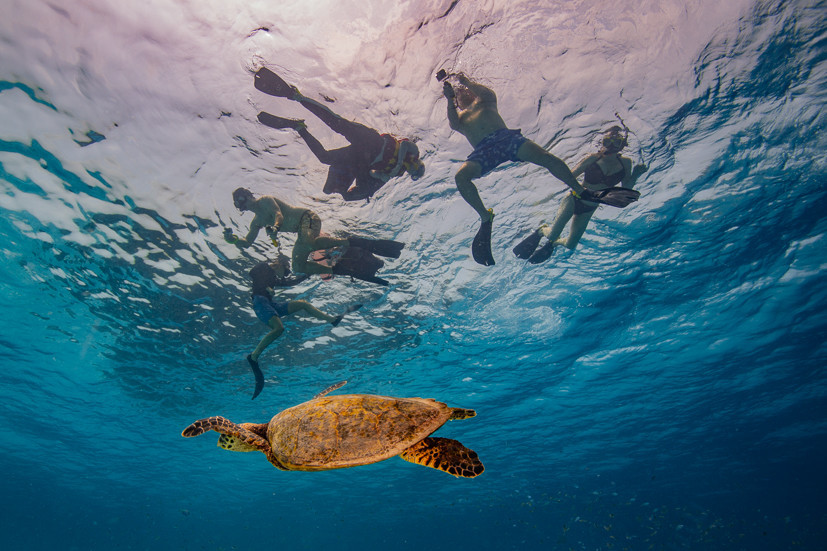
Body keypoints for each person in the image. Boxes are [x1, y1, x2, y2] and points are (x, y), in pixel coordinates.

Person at [441, 73, 587, 266]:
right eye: (459, 95)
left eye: (465, 91)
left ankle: (579, 189)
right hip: (483, 151)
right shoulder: (460, 118)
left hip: (506, 139)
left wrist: (465, 81)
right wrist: (449, 98)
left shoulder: (485, 101)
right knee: (461, 177)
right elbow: (452, 121)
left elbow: (486, 92)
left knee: (545, 157)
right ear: (457, 101)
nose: (463, 94)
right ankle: (486, 216)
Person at [254, 67, 425, 202]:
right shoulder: (413, 152)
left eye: (413, 173)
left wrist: (383, 176)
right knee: (337, 123)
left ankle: (299, 127)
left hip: (362, 157)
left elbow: (373, 174)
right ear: (418, 163)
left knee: (325, 157)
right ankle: (297, 96)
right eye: (416, 167)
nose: (412, 168)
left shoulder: (396, 172)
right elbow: (403, 145)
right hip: (372, 141)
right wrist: (397, 165)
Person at [512, 126, 648, 263]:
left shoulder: (626, 163)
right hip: (574, 199)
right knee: (553, 233)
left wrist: (636, 174)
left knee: (570, 244)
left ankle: (554, 244)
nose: (611, 146)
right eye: (607, 142)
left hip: (590, 208)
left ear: (622, 145)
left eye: (616, 142)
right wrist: (580, 188)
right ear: (603, 143)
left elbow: (626, 188)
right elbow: (569, 176)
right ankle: (541, 231)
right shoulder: (592, 159)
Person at [224, 187, 404, 281]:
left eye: (240, 200)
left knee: (310, 240)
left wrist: (276, 228)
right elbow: (247, 243)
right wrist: (231, 240)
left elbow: (278, 214)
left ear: (247, 195)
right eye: (237, 205)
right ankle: (337, 270)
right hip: (301, 232)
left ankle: (354, 242)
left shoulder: (265, 200)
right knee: (297, 266)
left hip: (307, 218)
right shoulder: (256, 222)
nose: (242, 206)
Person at [245, 260, 361, 399]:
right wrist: (271, 267)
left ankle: (333, 320)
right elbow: (252, 272)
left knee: (303, 304)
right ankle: (253, 356)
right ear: (280, 265)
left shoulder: (274, 279)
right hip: (260, 302)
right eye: (285, 272)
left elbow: (291, 283)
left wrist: (308, 274)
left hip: (271, 304)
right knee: (278, 328)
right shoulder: (263, 269)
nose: (284, 276)